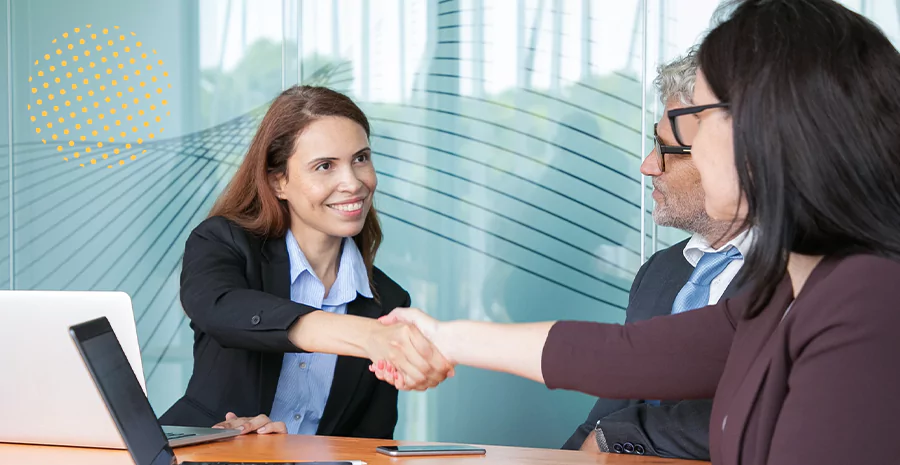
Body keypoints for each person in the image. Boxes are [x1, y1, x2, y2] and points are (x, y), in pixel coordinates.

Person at [373, 1, 900, 463]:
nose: (672, 154)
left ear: (769, 127)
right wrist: (443, 338)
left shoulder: (866, 296)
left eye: (698, 117)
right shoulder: (787, 291)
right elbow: (625, 356)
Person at [159, 85, 453, 439]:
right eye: (325, 166)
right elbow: (219, 309)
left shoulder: (388, 301)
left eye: (360, 158)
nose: (353, 183)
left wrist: (295, 454)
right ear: (278, 181)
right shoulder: (223, 242)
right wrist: (366, 336)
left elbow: (368, 443)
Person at [562, 49, 750, 460]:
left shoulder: (809, 276)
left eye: (667, 150)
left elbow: (759, 420)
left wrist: (623, 434)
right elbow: (609, 413)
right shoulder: (659, 272)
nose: (648, 166)